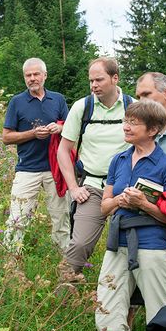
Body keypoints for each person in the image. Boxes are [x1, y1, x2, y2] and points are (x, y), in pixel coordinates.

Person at [96, 100, 166, 331]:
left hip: (154, 247)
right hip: (117, 244)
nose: (126, 126)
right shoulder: (119, 159)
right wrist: (121, 200)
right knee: (106, 316)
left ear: (154, 129)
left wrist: (145, 205)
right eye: (126, 120)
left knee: (161, 320)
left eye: (133, 122)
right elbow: (103, 206)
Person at [57, 57, 133, 276]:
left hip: (125, 189)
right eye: (91, 81)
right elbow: (63, 150)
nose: (94, 85)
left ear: (115, 78)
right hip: (91, 186)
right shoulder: (83, 107)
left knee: (132, 248)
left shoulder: (133, 107)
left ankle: (129, 301)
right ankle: (63, 295)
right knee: (79, 244)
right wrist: (73, 188)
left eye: (99, 79)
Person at [2, 58, 70, 252]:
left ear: (44, 75)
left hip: (56, 169)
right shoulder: (17, 101)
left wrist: (59, 127)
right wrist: (33, 134)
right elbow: (6, 137)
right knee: (17, 218)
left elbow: (69, 127)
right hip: (27, 169)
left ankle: (64, 263)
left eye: (36, 74)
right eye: (28, 75)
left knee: (61, 219)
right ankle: (11, 262)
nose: (32, 78)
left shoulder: (57, 99)